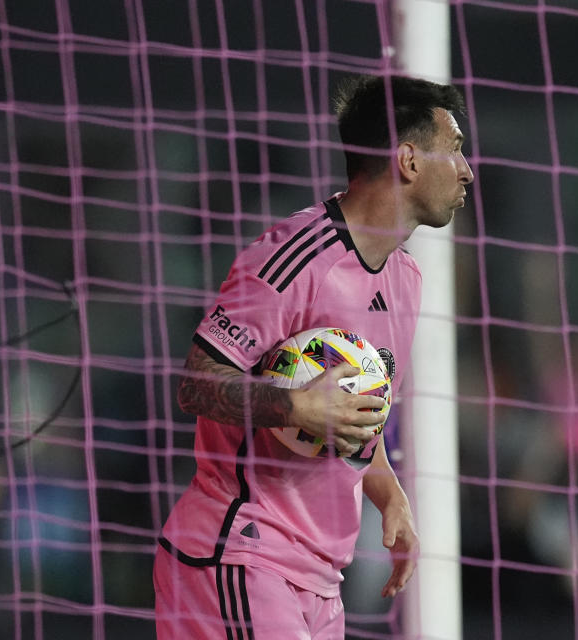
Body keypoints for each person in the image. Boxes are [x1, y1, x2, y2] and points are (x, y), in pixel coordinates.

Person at [153, 74, 474, 638]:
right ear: (409, 160)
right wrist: (293, 407)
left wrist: (388, 494)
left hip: (320, 579)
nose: (467, 169)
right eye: (455, 148)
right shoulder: (293, 257)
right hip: (239, 553)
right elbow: (197, 384)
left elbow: (350, 414)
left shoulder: (406, 278)